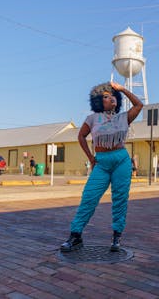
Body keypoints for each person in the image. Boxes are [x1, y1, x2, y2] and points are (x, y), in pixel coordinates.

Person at [60, 81, 143, 253]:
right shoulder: (92, 119)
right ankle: (75, 236)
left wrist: (122, 89)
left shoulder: (123, 117)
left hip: (121, 160)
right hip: (102, 162)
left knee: (120, 199)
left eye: (113, 96)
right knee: (89, 197)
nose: (111, 98)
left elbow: (139, 104)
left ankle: (116, 236)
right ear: (98, 101)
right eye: (106, 96)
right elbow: (81, 136)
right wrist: (90, 158)